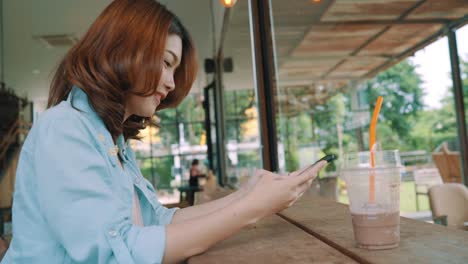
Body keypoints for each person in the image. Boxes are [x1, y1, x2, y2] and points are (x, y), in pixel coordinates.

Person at [0, 1, 328, 263]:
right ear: (122, 52)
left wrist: (249, 194)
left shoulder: (109, 137)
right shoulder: (65, 128)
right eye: (166, 62)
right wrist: (254, 208)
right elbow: (117, 253)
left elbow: (157, 221)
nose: (171, 84)